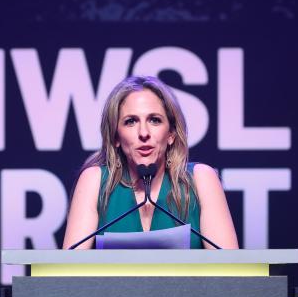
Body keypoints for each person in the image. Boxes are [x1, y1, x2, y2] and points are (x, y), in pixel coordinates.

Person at [63, 75, 238, 249]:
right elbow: (67, 273)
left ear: (171, 134)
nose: (144, 133)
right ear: (116, 136)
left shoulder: (201, 179)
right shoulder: (94, 181)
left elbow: (231, 272)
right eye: (131, 121)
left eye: (155, 120)